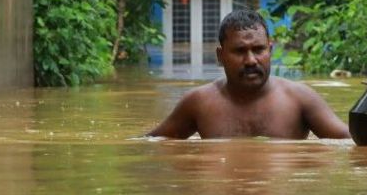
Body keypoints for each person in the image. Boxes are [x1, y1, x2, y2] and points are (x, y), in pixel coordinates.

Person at [148, 9, 351, 139]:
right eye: (239, 51)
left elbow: (350, 143)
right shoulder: (199, 103)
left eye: (258, 49)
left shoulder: (300, 99)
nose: (251, 60)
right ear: (221, 55)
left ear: (269, 50)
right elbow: (152, 143)